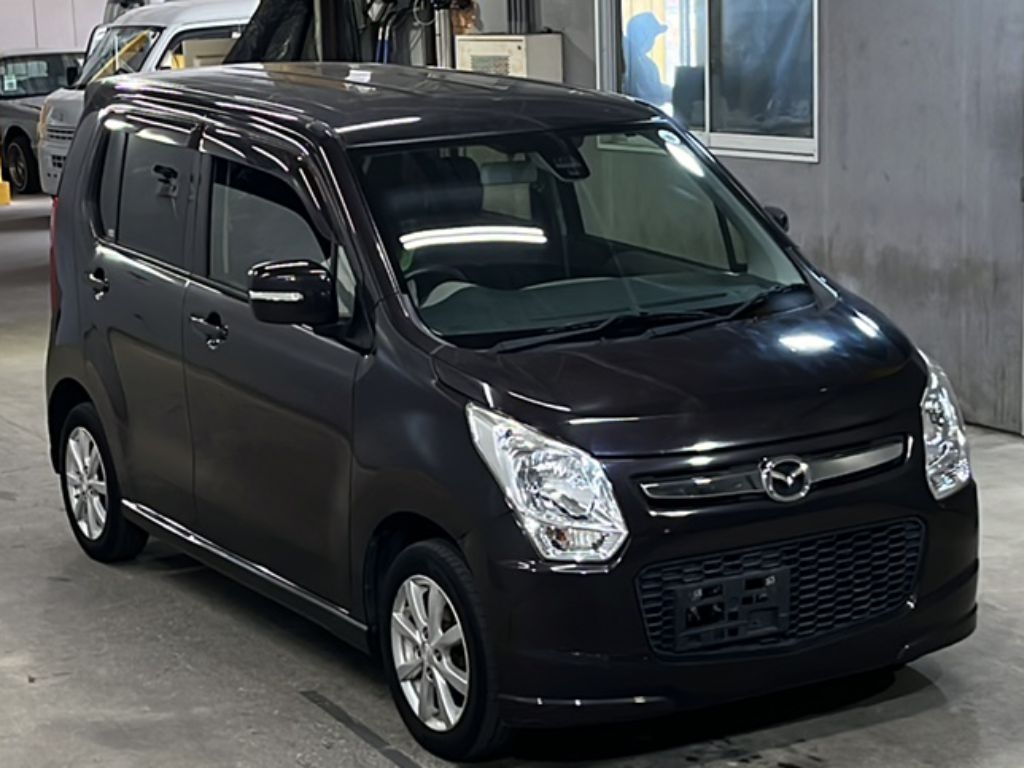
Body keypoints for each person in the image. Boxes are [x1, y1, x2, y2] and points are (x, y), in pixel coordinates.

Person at [623, 11, 671, 106]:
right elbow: (649, 93)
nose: (653, 41)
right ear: (643, 36)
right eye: (652, 35)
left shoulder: (645, 63)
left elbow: (655, 89)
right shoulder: (630, 60)